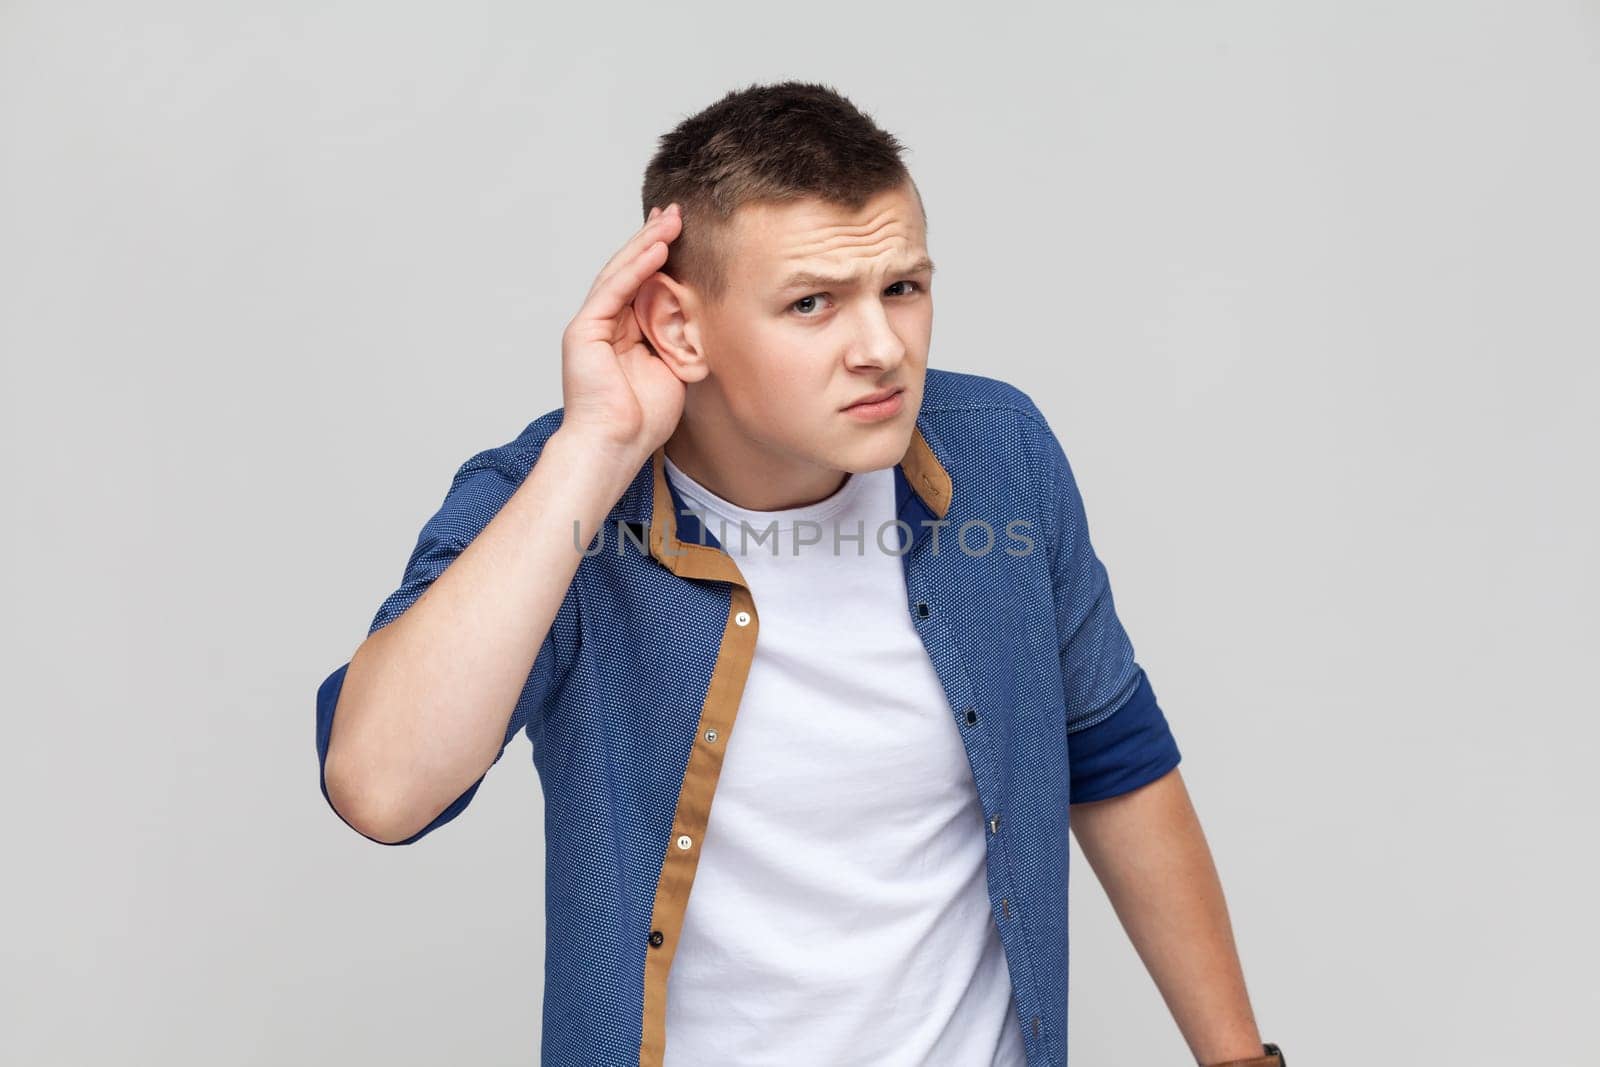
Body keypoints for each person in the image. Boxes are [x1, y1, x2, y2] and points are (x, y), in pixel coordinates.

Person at [314, 80, 1285, 1067]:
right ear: (679, 327)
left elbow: (1115, 762)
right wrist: (594, 448)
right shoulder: (550, 497)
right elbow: (383, 788)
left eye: (901, 287)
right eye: (813, 303)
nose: (881, 349)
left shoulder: (1002, 456)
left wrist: (1238, 1057)